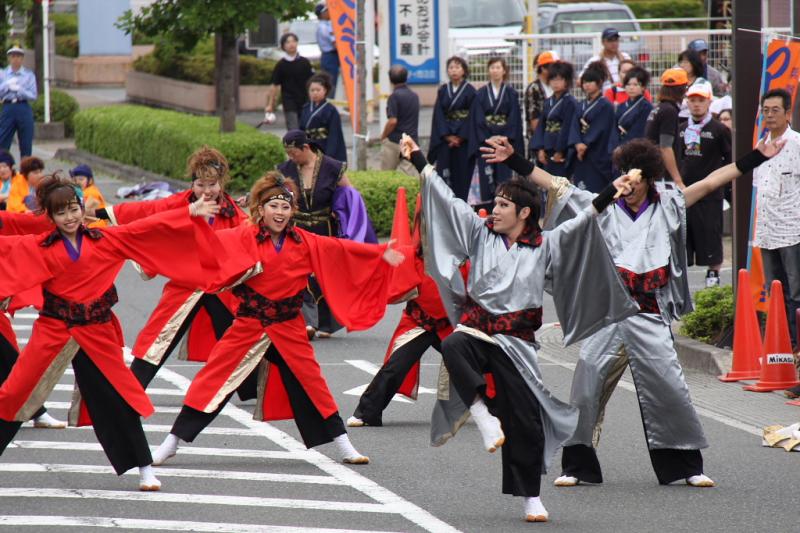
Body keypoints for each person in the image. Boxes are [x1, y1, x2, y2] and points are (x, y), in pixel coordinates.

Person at [401, 132, 639, 523]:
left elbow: (584, 220)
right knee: (455, 344)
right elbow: (446, 199)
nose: (493, 210)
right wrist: (419, 161)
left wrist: (611, 192)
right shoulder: (480, 235)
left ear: (524, 213)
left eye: (503, 205)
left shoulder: (545, 244)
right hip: (479, 329)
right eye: (494, 203)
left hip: (517, 343)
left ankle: (530, 496)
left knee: (525, 424)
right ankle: (480, 414)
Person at [544, 137, 783, 490]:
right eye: (623, 174)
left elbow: (711, 181)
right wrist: (515, 161)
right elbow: (554, 184)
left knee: (669, 385)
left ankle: (685, 465)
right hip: (609, 312)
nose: (627, 183)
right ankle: (577, 466)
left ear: (649, 177)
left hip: (649, 310)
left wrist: (756, 157)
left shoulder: (669, 203)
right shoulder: (605, 205)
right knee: (585, 383)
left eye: (634, 176)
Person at [148, 171, 405, 467]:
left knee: (313, 383)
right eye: (273, 206)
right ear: (260, 210)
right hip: (249, 323)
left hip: (288, 325)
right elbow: (205, 245)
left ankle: (344, 444)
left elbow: (340, 249)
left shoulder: (303, 241)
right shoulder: (243, 237)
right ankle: (171, 442)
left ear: (292, 211)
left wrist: (378, 252)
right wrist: (192, 218)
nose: (279, 213)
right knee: (212, 380)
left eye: (285, 207)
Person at [0, 173, 222, 491]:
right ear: (50, 217)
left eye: (74, 209)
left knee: (117, 399)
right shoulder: (39, 246)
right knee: (13, 393)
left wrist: (189, 212)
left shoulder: (105, 241)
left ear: (82, 208)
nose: (70, 217)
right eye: (61, 212)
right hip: (54, 329)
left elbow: (148, 227)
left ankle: (145, 468)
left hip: (96, 332)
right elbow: (5, 248)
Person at [88, 147, 249, 391]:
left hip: (221, 288)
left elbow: (251, 241)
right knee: (158, 336)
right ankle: (132, 388)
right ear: (192, 184)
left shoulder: (232, 212)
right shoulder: (181, 203)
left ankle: (250, 387)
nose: (207, 191)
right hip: (186, 284)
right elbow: (145, 211)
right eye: (201, 184)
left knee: (239, 335)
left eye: (212, 184)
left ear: (222, 183)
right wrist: (101, 213)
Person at [347, 195, 466, 427]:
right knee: (396, 366)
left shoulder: (462, 260)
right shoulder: (411, 256)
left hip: (452, 325)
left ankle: (497, 409)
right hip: (418, 322)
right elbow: (385, 280)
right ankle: (367, 413)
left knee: (476, 366)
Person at [278, 129, 376, 339]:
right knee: (299, 274)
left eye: (294, 152)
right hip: (297, 230)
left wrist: (350, 224)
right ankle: (307, 322)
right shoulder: (286, 169)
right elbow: (270, 191)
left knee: (323, 276)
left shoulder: (332, 167)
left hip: (325, 229)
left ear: (306, 148)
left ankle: (326, 322)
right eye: (288, 153)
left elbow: (351, 197)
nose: (291, 157)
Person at [752, 89, 800, 347]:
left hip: (794, 231)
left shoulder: (797, 144)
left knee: (796, 293)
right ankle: (780, 346)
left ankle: (796, 347)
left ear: (788, 113)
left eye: (775, 110)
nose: (769, 115)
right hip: (767, 231)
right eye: (766, 111)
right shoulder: (761, 147)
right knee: (775, 292)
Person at [678, 81, 731, 287]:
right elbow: (676, 156)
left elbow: (730, 157)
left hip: (711, 192)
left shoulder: (719, 129)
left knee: (711, 231)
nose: (696, 105)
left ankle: (713, 274)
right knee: (684, 232)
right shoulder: (681, 129)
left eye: (701, 100)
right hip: (686, 190)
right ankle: (681, 275)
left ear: (709, 102)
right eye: (692, 100)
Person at [466, 57, 523, 204]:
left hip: (504, 142)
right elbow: (477, 118)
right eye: (492, 67)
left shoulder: (511, 93)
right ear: (488, 71)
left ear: (504, 71)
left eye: (498, 67)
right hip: (487, 142)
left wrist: (503, 137)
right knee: (487, 176)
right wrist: (488, 138)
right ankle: (488, 208)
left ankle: (505, 204)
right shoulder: (480, 94)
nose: (495, 70)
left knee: (505, 176)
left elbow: (514, 118)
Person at [427, 56, 476, 200]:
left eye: (457, 67)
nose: (454, 71)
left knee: (462, 174)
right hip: (445, 139)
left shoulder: (470, 91)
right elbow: (438, 115)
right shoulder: (443, 90)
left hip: (463, 141)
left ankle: (463, 205)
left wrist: (461, 136)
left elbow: (473, 116)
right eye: (451, 67)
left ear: (464, 70)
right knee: (445, 173)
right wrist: (447, 135)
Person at [569, 63, 614, 192]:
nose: (587, 85)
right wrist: (577, 143)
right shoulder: (580, 104)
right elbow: (574, 126)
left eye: (591, 82)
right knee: (581, 188)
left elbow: (601, 127)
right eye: (584, 82)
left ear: (599, 83)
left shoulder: (606, 105)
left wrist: (586, 143)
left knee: (596, 189)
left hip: (597, 150)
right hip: (581, 152)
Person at [531, 61, 577, 179]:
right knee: (547, 183)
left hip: (561, 148)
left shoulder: (570, 102)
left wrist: (560, 150)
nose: (555, 83)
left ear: (566, 81)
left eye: (559, 79)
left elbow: (568, 127)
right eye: (552, 79)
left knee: (560, 184)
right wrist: (540, 148)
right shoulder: (548, 102)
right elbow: (541, 126)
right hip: (547, 145)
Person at [645, 68, 687, 190]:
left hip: (653, 172)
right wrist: (678, 180)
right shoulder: (669, 111)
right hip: (663, 178)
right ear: (682, 89)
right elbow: (665, 147)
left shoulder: (658, 109)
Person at [265, 33, 314, 131]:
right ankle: (295, 146)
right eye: (288, 42)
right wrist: (270, 104)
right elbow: (274, 85)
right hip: (289, 101)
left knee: (305, 129)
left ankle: (304, 146)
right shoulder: (281, 65)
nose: (291, 44)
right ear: (283, 46)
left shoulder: (305, 62)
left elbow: (312, 82)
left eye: (293, 41)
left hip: (305, 100)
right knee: (293, 129)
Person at [380, 65, 420, 176]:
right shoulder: (414, 96)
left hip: (394, 140)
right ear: (406, 78)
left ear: (390, 79)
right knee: (408, 175)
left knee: (386, 175)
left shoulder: (394, 96)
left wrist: (383, 136)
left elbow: (393, 121)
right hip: (410, 140)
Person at [299, 73, 347, 163]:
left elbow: (334, 134)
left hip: (324, 146)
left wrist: (329, 155)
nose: (315, 93)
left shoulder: (331, 110)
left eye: (318, 90)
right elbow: (301, 129)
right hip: (309, 147)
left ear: (325, 90)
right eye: (312, 90)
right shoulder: (305, 108)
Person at [0, 46, 37, 158]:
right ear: (9, 58)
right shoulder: (3, 74)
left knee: (26, 141)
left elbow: (33, 95)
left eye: (18, 56)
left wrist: (20, 90)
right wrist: (6, 86)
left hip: (23, 106)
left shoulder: (29, 75)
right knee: (3, 140)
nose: (16, 59)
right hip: (8, 106)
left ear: (22, 59)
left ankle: (25, 171)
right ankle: (3, 168)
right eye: (13, 56)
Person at [608, 66, 653, 155]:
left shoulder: (646, 107)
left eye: (636, 85)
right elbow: (614, 128)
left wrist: (623, 147)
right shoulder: (620, 106)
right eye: (628, 84)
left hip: (634, 149)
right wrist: (615, 145)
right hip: (617, 148)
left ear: (643, 87)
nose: (631, 88)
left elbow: (638, 131)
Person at [524, 51, 557, 142]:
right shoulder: (534, 89)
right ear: (542, 68)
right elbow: (534, 120)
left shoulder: (557, 87)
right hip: (540, 140)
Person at [69, 164, 108, 228]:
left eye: (81, 179)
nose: (77, 182)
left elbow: (83, 211)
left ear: (90, 180)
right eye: (75, 180)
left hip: (96, 225)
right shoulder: (83, 191)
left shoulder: (91, 192)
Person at [315, 2, 339, 93]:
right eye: (327, 11)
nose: (329, 12)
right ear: (322, 14)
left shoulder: (326, 25)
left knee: (329, 82)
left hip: (329, 56)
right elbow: (335, 43)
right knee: (330, 84)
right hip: (330, 57)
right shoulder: (324, 27)